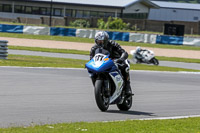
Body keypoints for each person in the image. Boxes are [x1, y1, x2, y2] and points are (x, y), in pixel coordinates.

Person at [90, 31, 133, 96]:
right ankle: (99, 88)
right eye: (98, 41)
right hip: (103, 63)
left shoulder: (113, 44)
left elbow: (124, 53)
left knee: (125, 66)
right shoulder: (94, 48)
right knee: (92, 72)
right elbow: (91, 59)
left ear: (106, 40)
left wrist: (120, 59)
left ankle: (127, 87)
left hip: (116, 61)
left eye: (102, 41)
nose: (100, 43)